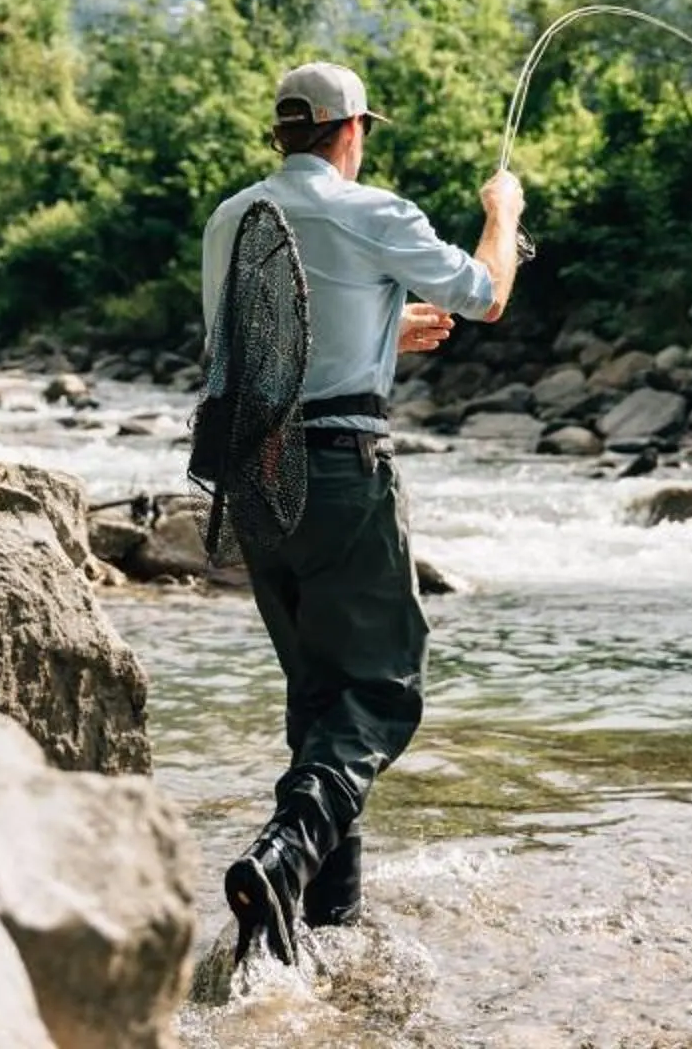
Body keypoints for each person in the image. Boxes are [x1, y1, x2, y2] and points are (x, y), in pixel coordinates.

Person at [199, 61, 524, 962]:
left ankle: (321, 914)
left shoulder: (231, 219)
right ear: (351, 132)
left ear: (284, 135)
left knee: (318, 694)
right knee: (381, 691)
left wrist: (387, 326)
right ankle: (283, 853)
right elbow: (488, 295)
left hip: (256, 478)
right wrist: (505, 214)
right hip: (342, 472)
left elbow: (261, 346)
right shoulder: (373, 209)